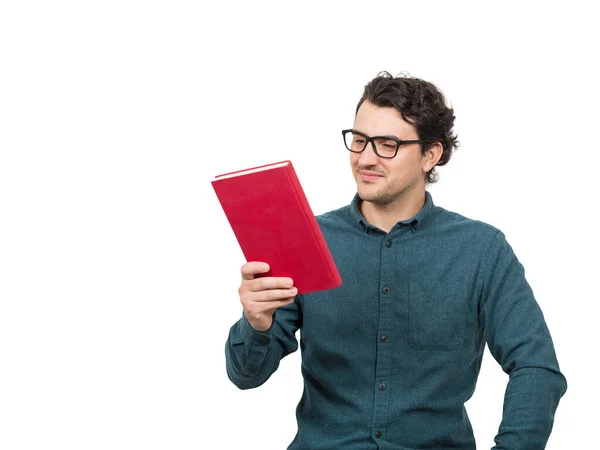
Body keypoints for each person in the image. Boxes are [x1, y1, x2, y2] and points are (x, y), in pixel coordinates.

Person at [224, 71, 567, 449]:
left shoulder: (481, 250)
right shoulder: (306, 239)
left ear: (430, 154)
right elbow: (246, 376)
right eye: (358, 140)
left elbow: (536, 367)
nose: (365, 158)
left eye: (387, 144)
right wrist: (256, 323)